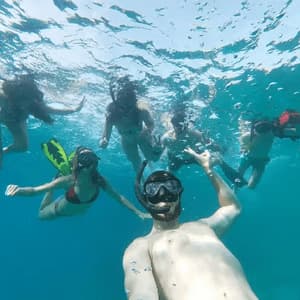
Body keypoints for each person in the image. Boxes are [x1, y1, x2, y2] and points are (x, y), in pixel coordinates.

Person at [122, 148, 258, 299]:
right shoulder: (142, 246)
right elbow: (141, 293)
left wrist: (208, 169)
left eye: (171, 187)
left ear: (179, 195)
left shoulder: (204, 226)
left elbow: (232, 207)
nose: (163, 194)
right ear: (145, 198)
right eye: (153, 189)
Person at [5, 146, 148, 220]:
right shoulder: (68, 180)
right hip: (58, 210)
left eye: (92, 160)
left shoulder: (100, 180)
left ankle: (54, 183)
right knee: (40, 214)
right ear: (78, 163)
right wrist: (18, 190)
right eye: (86, 160)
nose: (91, 164)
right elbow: (35, 191)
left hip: (75, 207)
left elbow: (119, 197)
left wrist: (138, 212)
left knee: (60, 193)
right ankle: (53, 181)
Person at [0, 74, 85, 163]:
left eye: (26, 102)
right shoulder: (3, 95)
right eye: (20, 101)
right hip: (7, 115)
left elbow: (53, 109)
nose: (23, 106)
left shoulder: (33, 104)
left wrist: (74, 109)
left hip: (14, 120)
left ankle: (3, 151)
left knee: (22, 147)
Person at [99, 75, 162, 173]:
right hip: (127, 140)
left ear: (133, 102)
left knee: (153, 158)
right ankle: (140, 183)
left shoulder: (141, 110)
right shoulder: (111, 114)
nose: (126, 111)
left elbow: (151, 124)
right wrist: (103, 142)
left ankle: (157, 151)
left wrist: (148, 131)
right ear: (117, 102)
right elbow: (105, 136)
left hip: (142, 136)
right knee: (135, 162)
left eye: (129, 106)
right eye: (123, 106)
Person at [235, 118, 275, 189]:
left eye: (265, 130)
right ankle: (235, 188)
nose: (263, 134)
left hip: (261, 160)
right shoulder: (247, 136)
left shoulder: (272, 133)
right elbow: (242, 144)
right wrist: (244, 148)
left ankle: (240, 188)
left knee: (252, 185)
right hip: (248, 158)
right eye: (260, 130)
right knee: (238, 176)